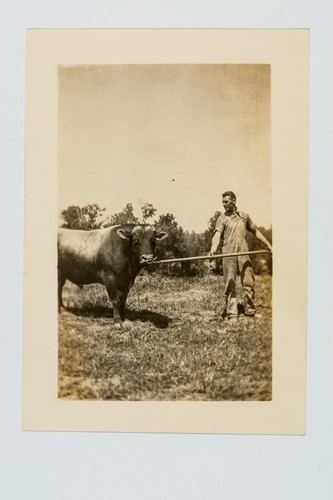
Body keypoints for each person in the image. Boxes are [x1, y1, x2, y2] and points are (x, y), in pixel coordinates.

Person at [209, 191, 272, 321]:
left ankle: (250, 311)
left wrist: (269, 245)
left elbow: (255, 231)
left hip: (244, 252)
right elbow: (216, 236)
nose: (224, 204)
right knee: (230, 283)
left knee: (248, 282)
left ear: (234, 201)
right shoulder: (221, 219)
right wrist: (213, 249)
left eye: (226, 202)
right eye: (223, 202)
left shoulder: (244, 216)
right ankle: (232, 314)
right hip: (228, 253)